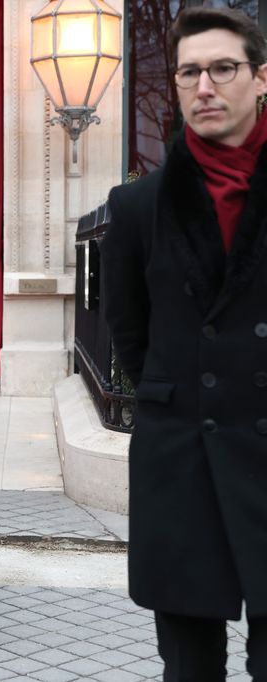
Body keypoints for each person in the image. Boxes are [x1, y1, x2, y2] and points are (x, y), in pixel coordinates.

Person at [101, 8, 267, 679]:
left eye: (223, 69)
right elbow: (128, 331)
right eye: (190, 72)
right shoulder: (137, 206)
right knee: (190, 667)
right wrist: (176, 399)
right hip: (183, 460)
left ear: (260, 79)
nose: (205, 86)